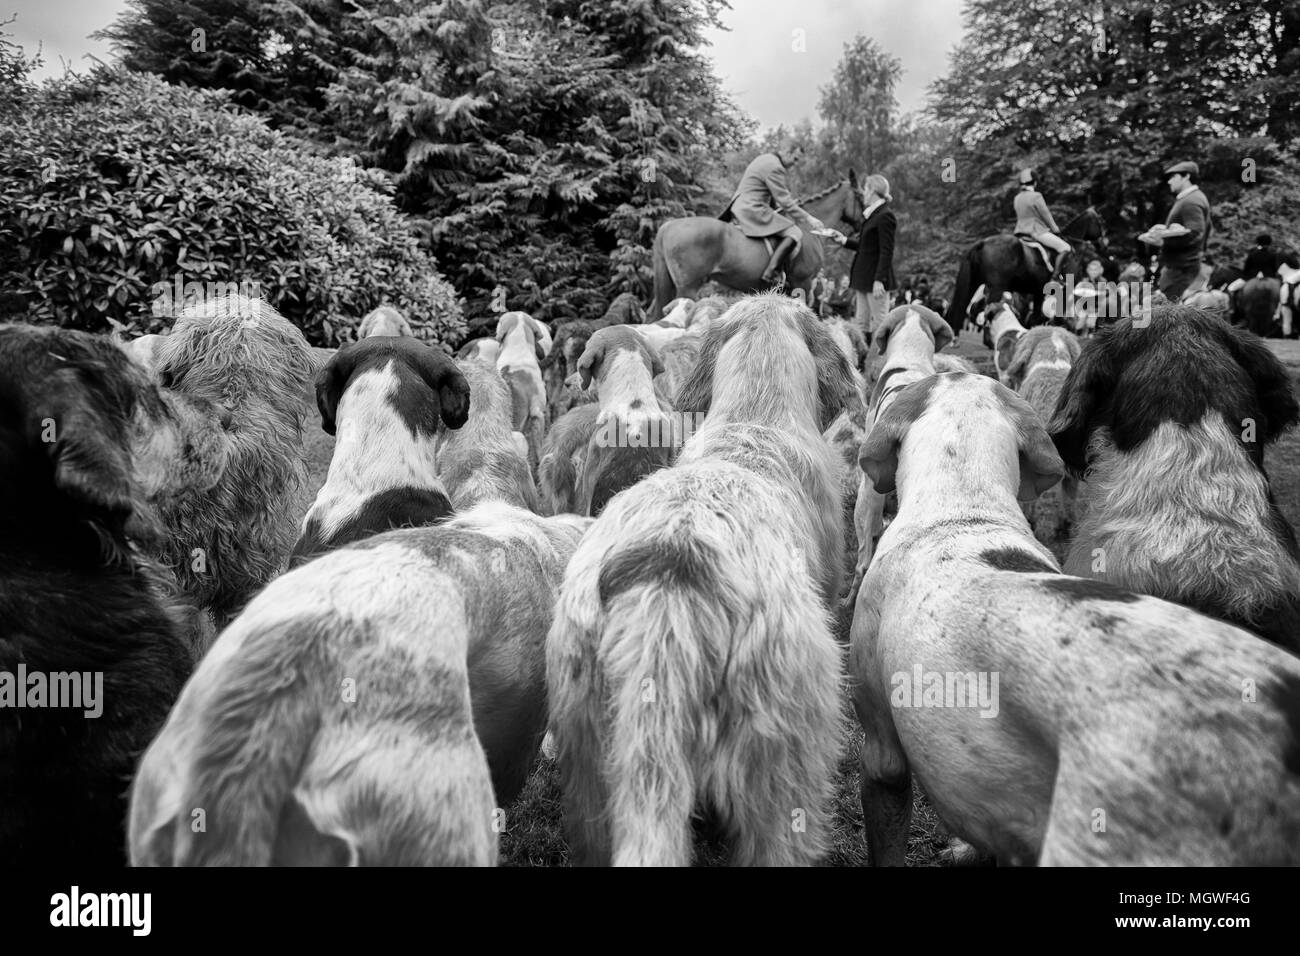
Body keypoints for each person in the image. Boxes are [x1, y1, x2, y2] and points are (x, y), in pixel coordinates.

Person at [719, 142, 825, 286]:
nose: (794, 164)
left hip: (740, 205)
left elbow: (769, 194)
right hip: (752, 208)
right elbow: (785, 201)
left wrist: (779, 208)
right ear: (787, 151)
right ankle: (771, 273)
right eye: (795, 159)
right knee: (794, 232)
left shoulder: (764, 158)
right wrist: (809, 218)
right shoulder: (775, 167)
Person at [832, 173, 896, 339]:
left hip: (875, 281)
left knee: (880, 324)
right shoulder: (872, 215)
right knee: (861, 323)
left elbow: (886, 251)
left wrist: (879, 280)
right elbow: (864, 246)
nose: (863, 193)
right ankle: (863, 361)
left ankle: (880, 361)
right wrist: (844, 240)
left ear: (873, 191)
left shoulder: (885, 216)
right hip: (863, 279)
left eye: (866, 189)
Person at [1149, 160, 1212, 301]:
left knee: (1168, 316)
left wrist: (1163, 242)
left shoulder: (1191, 200)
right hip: (1181, 267)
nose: (1169, 182)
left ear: (1186, 177)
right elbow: (1204, 229)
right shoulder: (1191, 198)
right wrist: (1164, 230)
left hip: (1180, 269)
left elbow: (1196, 233)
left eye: (1173, 177)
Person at [1013, 168, 1071, 276]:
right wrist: (1056, 230)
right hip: (1035, 231)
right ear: (1035, 182)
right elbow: (1046, 215)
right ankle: (1056, 277)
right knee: (1065, 248)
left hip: (1019, 232)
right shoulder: (1036, 196)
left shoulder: (1017, 198)